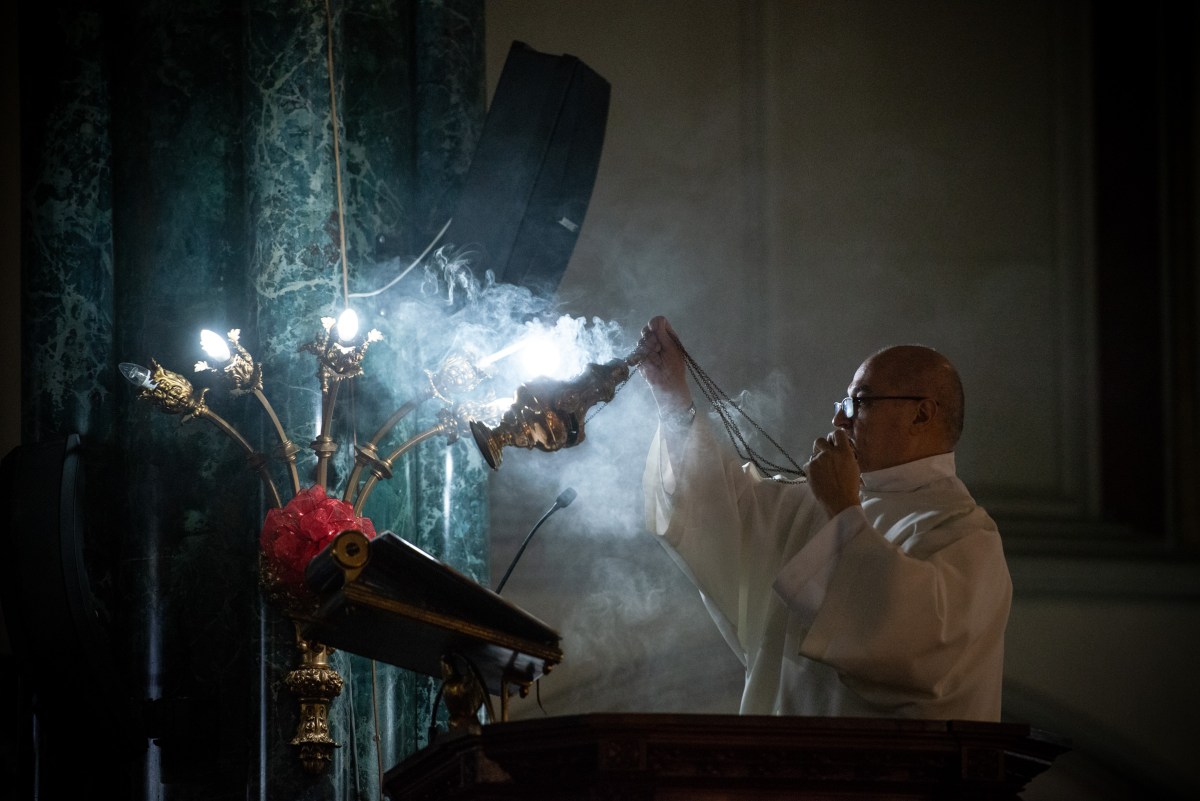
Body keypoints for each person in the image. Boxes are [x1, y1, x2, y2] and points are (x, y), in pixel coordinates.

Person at [637, 315, 1011, 721]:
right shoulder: (814, 505)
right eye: (843, 404)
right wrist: (673, 398)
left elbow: (911, 647)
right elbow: (725, 515)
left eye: (860, 402)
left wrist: (843, 509)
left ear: (922, 415)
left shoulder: (964, 534)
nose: (840, 420)